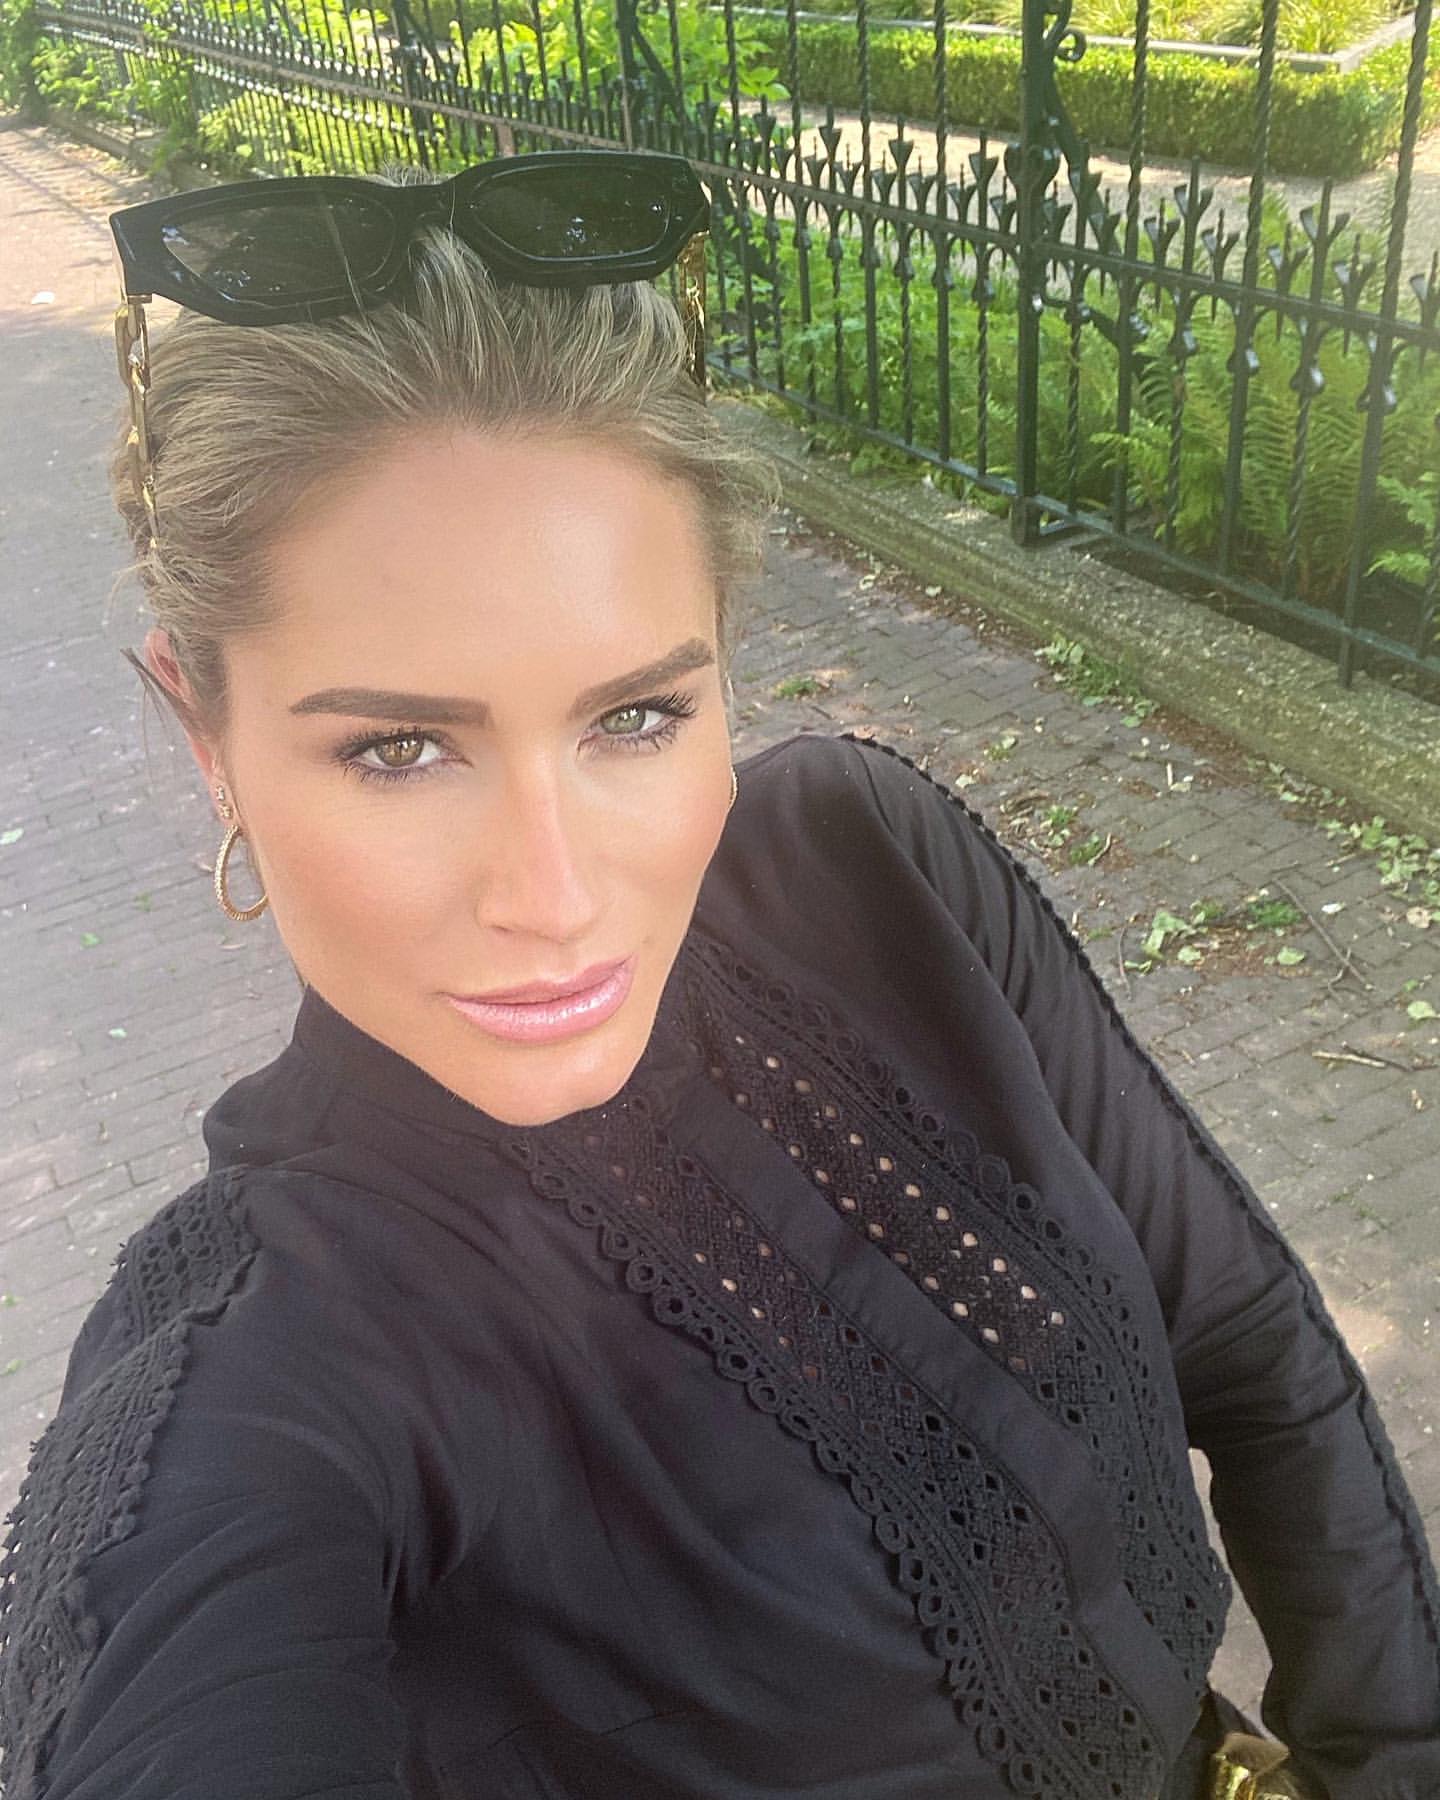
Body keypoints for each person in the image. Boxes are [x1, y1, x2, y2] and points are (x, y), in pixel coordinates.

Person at [0, 148, 1436, 1800]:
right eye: (398, 748)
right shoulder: (255, 1376)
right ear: (209, 740)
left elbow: (1245, 1337)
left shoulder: (868, 866)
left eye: (635, 717)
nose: (554, 898)